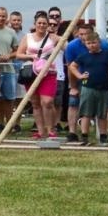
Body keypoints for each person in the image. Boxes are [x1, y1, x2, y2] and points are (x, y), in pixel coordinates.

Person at [69, 30, 108, 146]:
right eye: (89, 43)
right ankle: (84, 137)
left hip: (104, 87)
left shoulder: (107, 54)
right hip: (88, 87)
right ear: (85, 44)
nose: (92, 45)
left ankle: (103, 136)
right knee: (86, 113)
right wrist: (79, 76)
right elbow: (72, 66)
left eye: (94, 42)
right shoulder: (83, 55)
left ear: (99, 42)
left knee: (102, 114)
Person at [17, 11, 62, 139]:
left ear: (48, 25)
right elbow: (18, 54)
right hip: (31, 73)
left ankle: (51, 129)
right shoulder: (28, 37)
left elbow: (66, 46)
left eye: (44, 23)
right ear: (35, 24)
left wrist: (59, 39)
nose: (42, 25)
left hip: (49, 72)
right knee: (35, 103)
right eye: (39, 23)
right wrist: (30, 57)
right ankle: (41, 131)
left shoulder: (52, 38)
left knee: (47, 102)